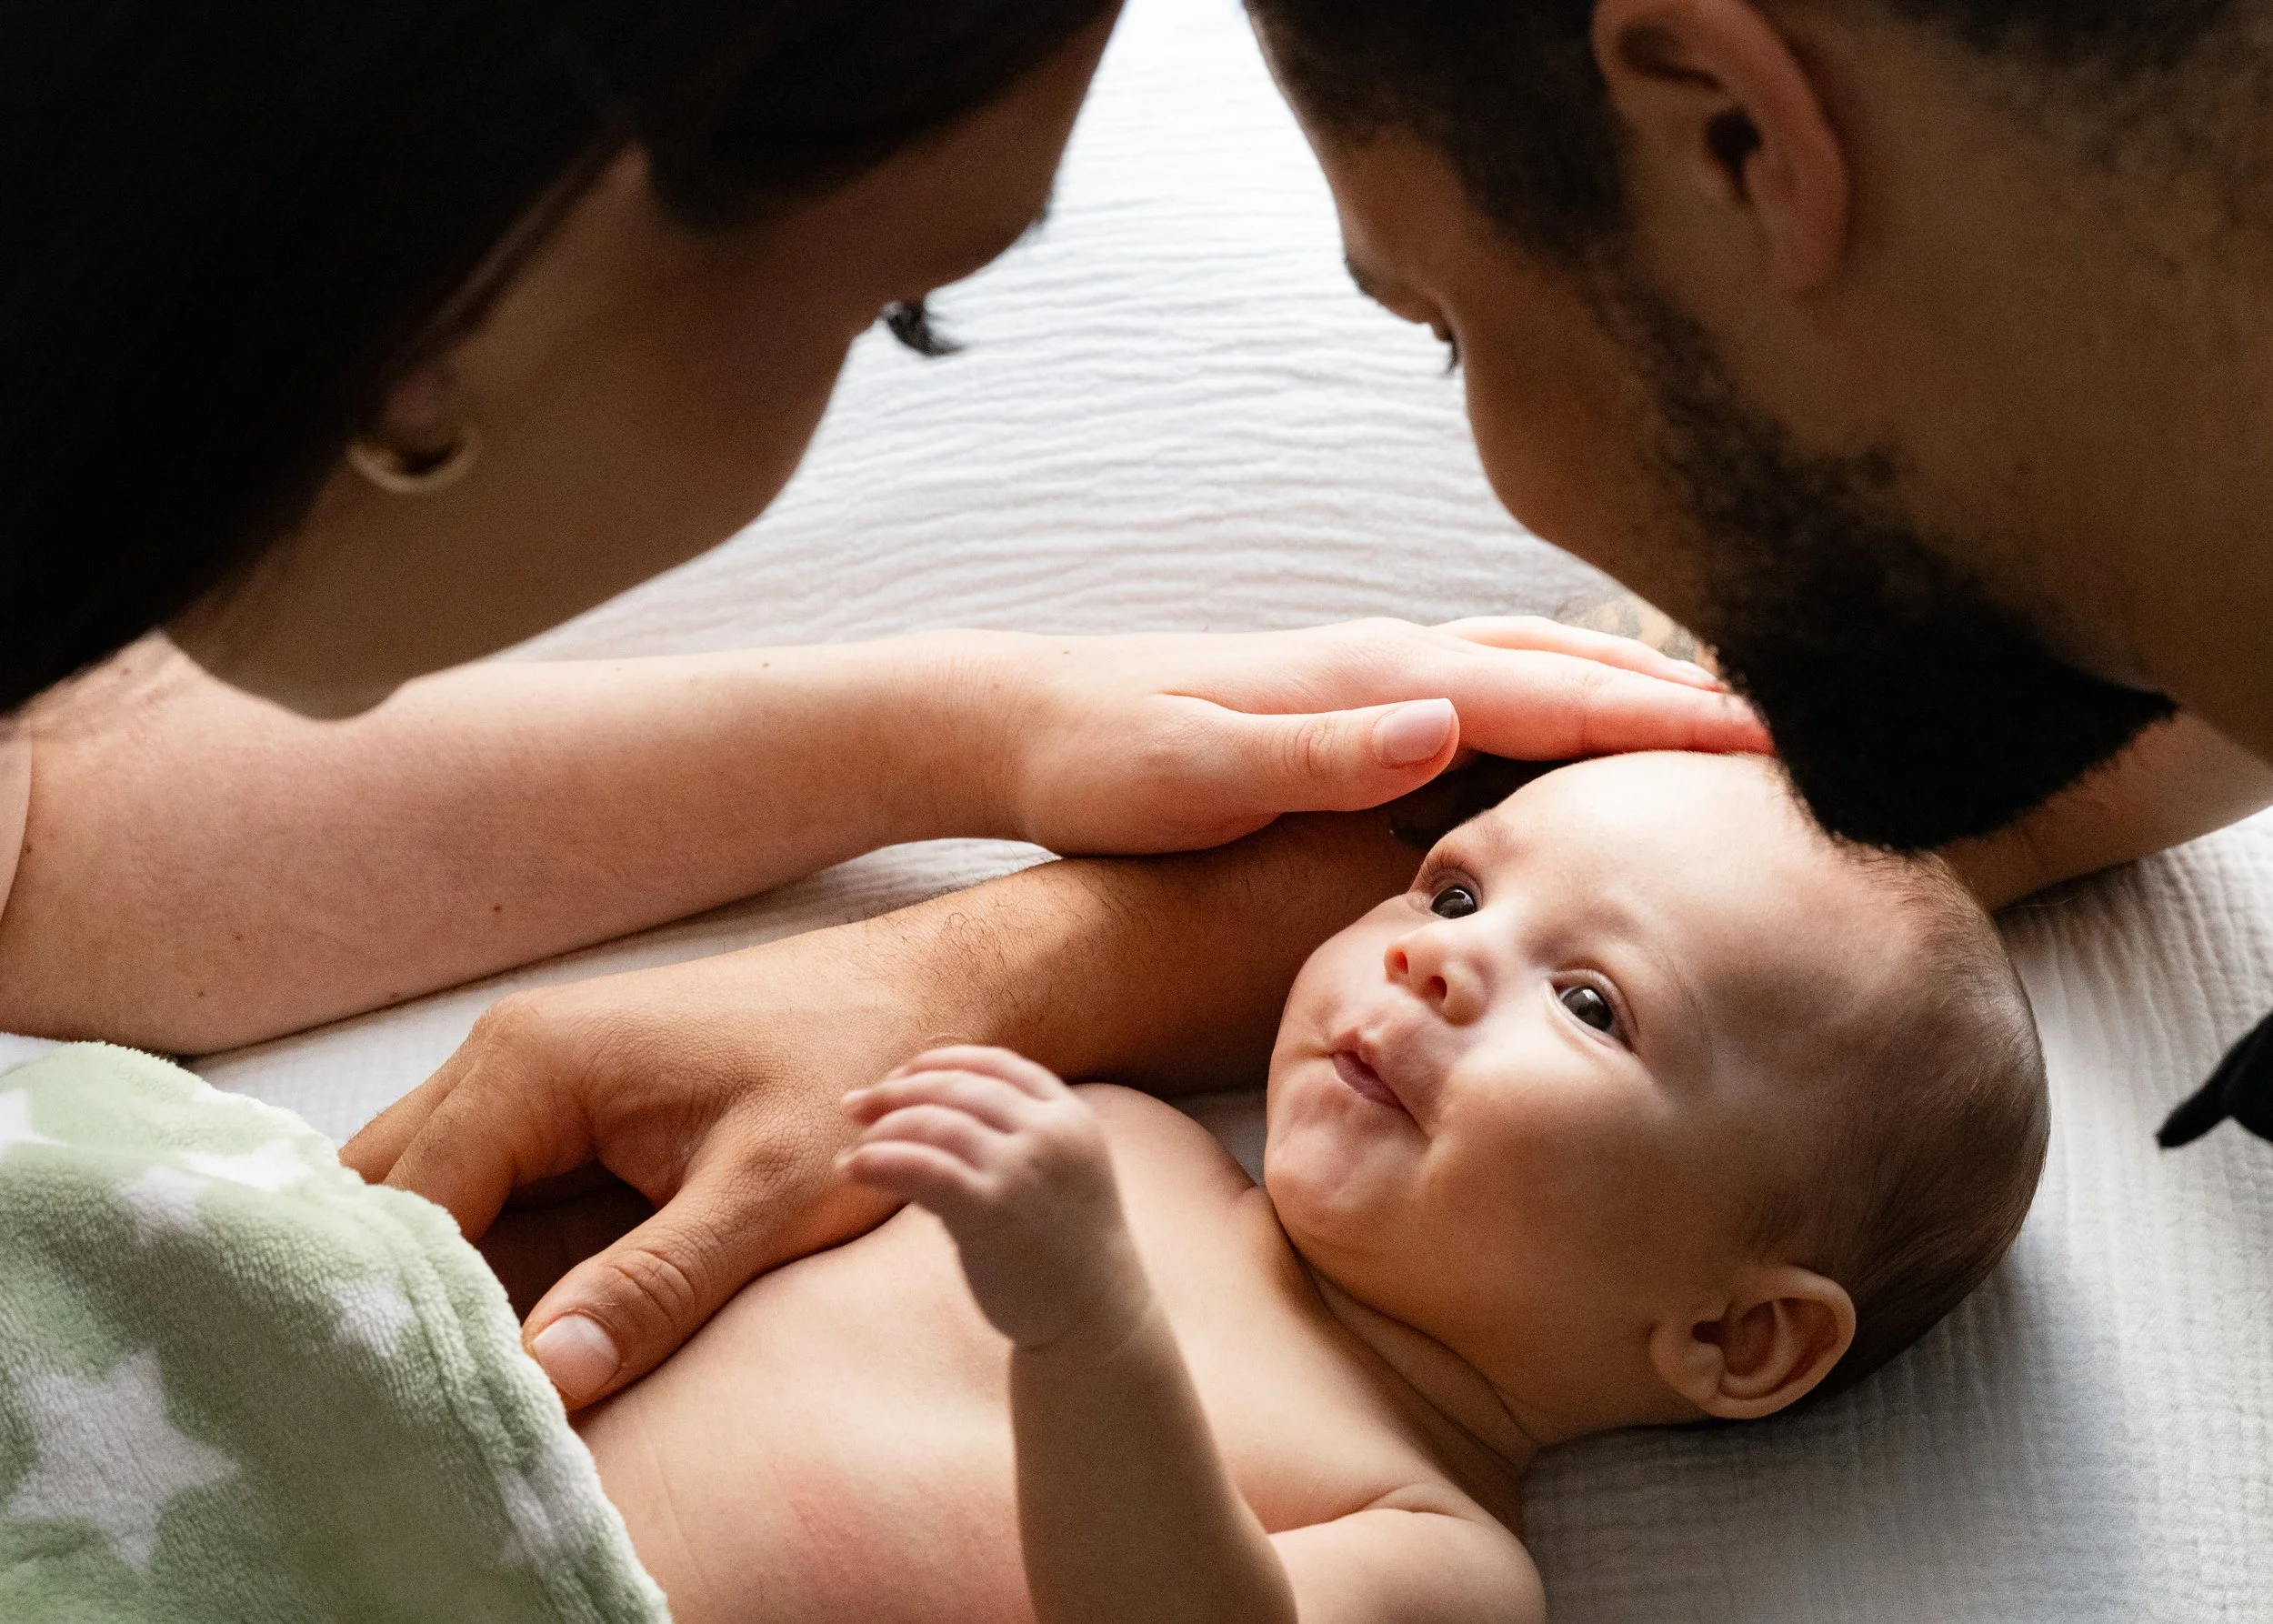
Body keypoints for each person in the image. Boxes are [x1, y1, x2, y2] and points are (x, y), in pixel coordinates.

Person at [565, 752, 2047, 1623]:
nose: (1435, 952)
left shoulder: (1438, 1550)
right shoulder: (1111, 1131)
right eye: (1457, 890)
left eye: (1594, 1003)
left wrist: (1088, 1326)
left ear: (1734, 1336)